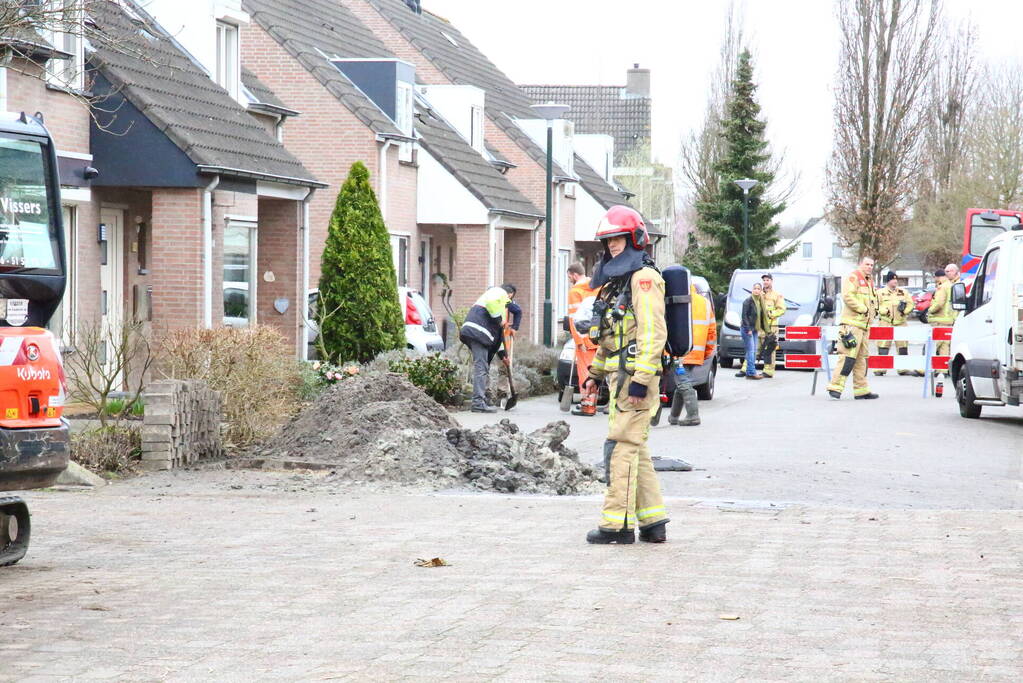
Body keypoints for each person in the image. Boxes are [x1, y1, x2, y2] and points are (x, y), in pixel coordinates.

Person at [582, 205, 669, 545]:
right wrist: (595, 373)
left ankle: (615, 526)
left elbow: (653, 333)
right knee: (637, 449)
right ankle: (653, 522)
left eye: (617, 239)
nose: (612, 247)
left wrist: (641, 380)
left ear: (633, 238)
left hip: (635, 380)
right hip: (622, 378)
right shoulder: (620, 283)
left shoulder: (643, 279)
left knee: (620, 448)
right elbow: (611, 335)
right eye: (608, 241)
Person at [827, 256, 878, 400]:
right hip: (852, 324)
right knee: (847, 357)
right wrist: (862, 308)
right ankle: (835, 387)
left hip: (864, 326)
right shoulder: (853, 277)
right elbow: (848, 296)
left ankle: (861, 390)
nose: (869, 267)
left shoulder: (869, 281)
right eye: (867, 264)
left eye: (871, 265)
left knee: (862, 359)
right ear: (860, 264)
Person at [458, 283, 515, 413]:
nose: (508, 302)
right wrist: (499, 320)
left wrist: (503, 356)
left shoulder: (492, 300)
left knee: (482, 366)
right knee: (481, 367)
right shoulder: (498, 293)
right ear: (509, 294)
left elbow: (498, 338)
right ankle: (478, 403)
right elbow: (491, 304)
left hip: (472, 332)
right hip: (478, 334)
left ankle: (482, 399)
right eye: (509, 299)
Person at [668, 284, 717, 425]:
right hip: (697, 352)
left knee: (683, 382)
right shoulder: (705, 303)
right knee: (682, 382)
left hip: (679, 352)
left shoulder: (675, 300)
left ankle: (693, 415)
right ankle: (674, 416)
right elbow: (712, 331)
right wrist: (707, 352)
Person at [740, 273, 785, 377]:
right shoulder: (759, 294)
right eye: (764, 280)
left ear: (771, 281)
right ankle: (745, 368)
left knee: (769, 349)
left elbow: (782, 309)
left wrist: (771, 314)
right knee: (752, 348)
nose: (765, 282)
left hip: (771, 327)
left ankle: (768, 371)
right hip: (758, 327)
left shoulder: (776, 295)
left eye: (768, 280)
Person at [875, 271, 917, 376]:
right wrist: (883, 310)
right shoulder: (880, 292)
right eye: (893, 279)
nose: (895, 281)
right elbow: (875, 305)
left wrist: (905, 311)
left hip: (901, 323)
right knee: (883, 346)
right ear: (888, 281)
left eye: (896, 279)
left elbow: (911, 304)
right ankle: (881, 369)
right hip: (886, 322)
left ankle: (903, 369)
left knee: (902, 346)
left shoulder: (903, 292)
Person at [928, 263, 960, 359]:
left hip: (941, 320)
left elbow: (939, 303)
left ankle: (927, 367)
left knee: (935, 344)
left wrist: (930, 311)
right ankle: (942, 369)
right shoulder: (951, 285)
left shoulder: (943, 287)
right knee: (944, 345)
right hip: (949, 320)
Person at [737, 283, 765, 380]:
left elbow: (761, 317)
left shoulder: (760, 302)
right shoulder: (747, 301)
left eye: (758, 289)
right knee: (751, 351)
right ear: (752, 290)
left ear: (761, 291)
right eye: (755, 288)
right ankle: (752, 372)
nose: (756, 290)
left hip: (755, 329)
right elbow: (744, 316)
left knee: (753, 351)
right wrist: (748, 329)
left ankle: (749, 372)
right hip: (747, 329)